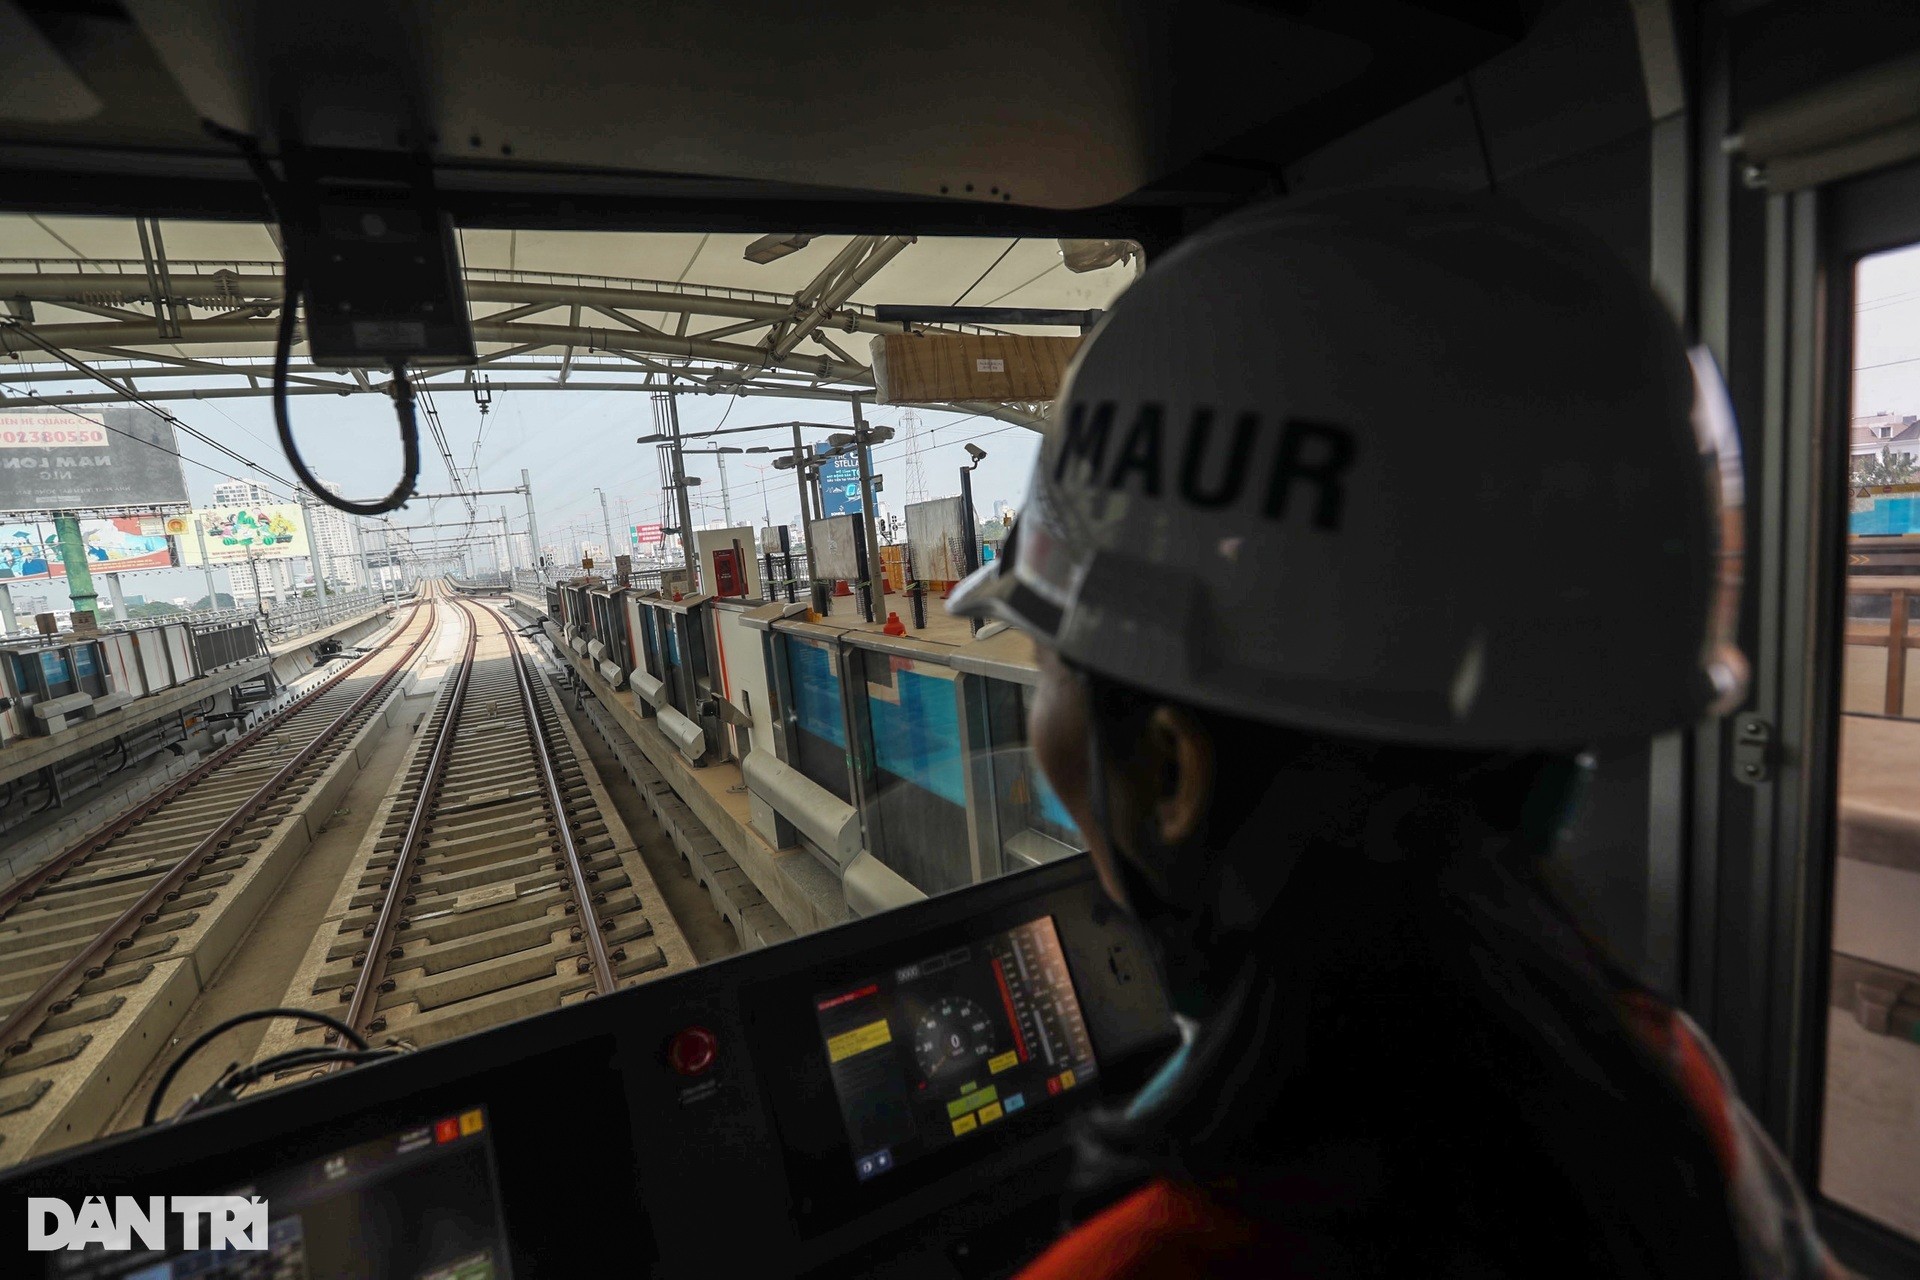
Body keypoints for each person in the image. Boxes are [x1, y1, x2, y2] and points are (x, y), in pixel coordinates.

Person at [947, 192, 1844, 1279]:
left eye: (1051, 670)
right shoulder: (1662, 1082)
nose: (1040, 718)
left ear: (1172, 768)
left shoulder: (1140, 1263)